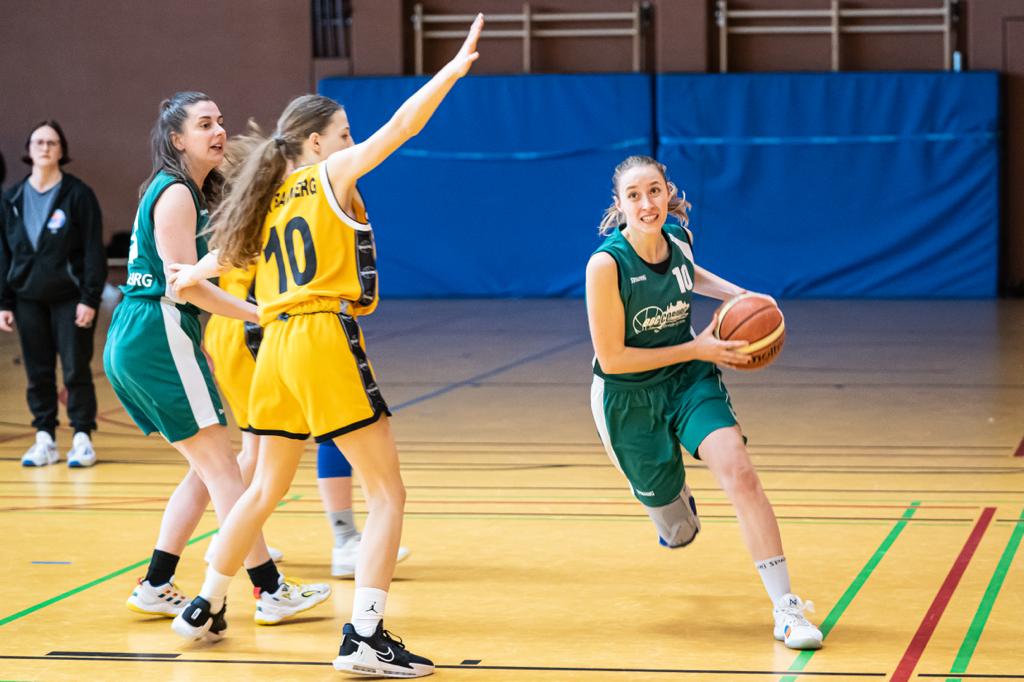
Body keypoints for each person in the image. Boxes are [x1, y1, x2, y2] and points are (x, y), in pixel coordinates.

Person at [167, 15, 483, 677]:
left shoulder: (268, 192)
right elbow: (403, 127)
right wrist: (450, 72)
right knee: (388, 493)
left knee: (261, 489)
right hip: (317, 336)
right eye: (343, 134)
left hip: (273, 347)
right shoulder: (327, 174)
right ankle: (364, 636)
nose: (352, 142)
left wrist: (193, 273)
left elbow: (222, 257)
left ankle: (204, 602)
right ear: (316, 141)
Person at [103, 92, 330, 630]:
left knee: (206, 472)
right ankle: (269, 589)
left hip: (142, 334)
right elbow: (187, 287)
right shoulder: (177, 193)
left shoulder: (183, 190)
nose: (218, 131)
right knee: (227, 472)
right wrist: (259, 313)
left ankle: (157, 582)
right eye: (204, 124)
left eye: (220, 121)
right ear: (177, 139)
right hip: (158, 329)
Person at [585, 155, 823, 650]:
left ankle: (786, 609)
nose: (647, 203)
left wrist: (740, 297)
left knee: (740, 472)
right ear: (620, 205)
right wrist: (699, 346)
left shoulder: (679, 240)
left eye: (655, 190)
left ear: (668, 193)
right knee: (678, 530)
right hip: (627, 399)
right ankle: (675, 513)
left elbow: (689, 272)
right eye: (635, 195)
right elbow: (612, 358)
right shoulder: (605, 266)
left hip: (689, 380)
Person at [202, 257, 409, 574]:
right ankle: (344, 540)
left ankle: (232, 537)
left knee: (256, 451)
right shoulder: (293, 208)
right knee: (336, 428)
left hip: (228, 326)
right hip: (267, 325)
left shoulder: (239, 212)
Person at [0, 120, 106, 467]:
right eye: (39, 142)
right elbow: (3, 253)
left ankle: (82, 438)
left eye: (52, 142)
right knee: (38, 370)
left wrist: (90, 298)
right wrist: (4, 301)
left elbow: (93, 250)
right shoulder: (11, 198)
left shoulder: (78, 195)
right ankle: (44, 438)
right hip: (27, 297)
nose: (45, 147)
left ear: (62, 150)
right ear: (29, 150)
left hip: (70, 298)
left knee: (75, 368)